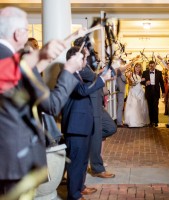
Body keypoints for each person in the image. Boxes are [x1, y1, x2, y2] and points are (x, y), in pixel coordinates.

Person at [0, 7, 83, 195]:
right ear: (18, 33)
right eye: (27, 30)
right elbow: (52, 105)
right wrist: (68, 70)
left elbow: (28, 70)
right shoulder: (12, 61)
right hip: (16, 161)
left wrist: (69, 39)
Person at [61, 46, 111, 200]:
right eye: (84, 58)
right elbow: (82, 91)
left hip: (82, 124)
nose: (86, 60)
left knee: (82, 160)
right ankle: (74, 195)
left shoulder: (76, 74)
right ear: (76, 59)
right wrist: (102, 79)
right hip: (75, 126)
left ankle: (79, 187)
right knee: (76, 162)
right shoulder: (69, 74)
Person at [124, 62, 150, 127]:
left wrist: (146, 83)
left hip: (140, 91)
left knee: (141, 106)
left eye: (139, 67)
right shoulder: (131, 74)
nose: (138, 68)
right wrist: (140, 80)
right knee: (134, 106)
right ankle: (133, 122)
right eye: (136, 67)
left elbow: (143, 83)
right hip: (133, 92)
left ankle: (141, 120)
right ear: (134, 67)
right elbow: (131, 84)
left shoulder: (142, 74)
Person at [141, 60, 165, 127]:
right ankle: (151, 121)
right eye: (150, 65)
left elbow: (162, 83)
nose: (152, 66)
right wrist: (145, 82)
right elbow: (141, 82)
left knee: (155, 107)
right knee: (150, 107)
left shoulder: (159, 72)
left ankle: (156, 121)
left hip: (156, 91)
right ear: (149, 65)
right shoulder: (145, 72)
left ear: (155, 65)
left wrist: (163, 92)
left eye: (153, 65)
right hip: (148, 91)